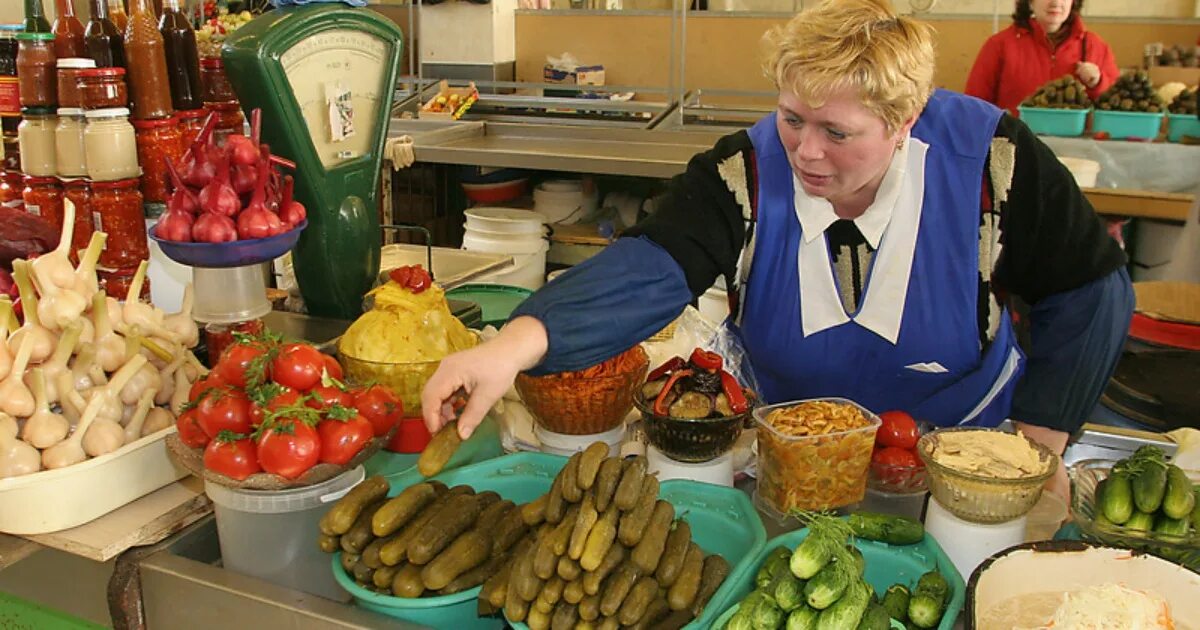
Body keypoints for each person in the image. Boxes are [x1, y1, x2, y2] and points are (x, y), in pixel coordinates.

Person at [423, 0, 1134, 498]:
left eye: (836, 132)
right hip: (788, 456)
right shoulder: (748, 168)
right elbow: (655, 263)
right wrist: (509, 347)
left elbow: (1091, 287)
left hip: (959, 463)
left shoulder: (992, 162)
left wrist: (1036, 446)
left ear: (905, 120)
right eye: (792, 118)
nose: (806, 151)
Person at [966, 0, 1119, 114]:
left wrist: (1098, 83)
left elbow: (1119, 106)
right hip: (1015, 149)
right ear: (1030, 2)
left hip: (1079, 151)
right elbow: (974, 106)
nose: (1056, 2)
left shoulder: (1096, 46)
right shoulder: (1000, 45)